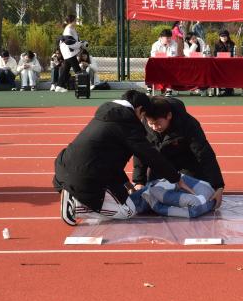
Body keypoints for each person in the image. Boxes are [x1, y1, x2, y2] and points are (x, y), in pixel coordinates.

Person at [52, 90, 191, 225]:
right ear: (139, 109)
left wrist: (128, 185)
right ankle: (77, 206)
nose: (141, 120)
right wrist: (177, 179)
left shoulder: (107, 114)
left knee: (120, 197)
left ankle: (75, 196)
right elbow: (150, 155)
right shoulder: (128, 123)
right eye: (143, 116)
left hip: (64, 170)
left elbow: (110, 161)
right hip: (85, 177)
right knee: (128, 211)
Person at [132, 96, 225, 210]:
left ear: (169, 116)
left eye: (158, 123)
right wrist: (139, 181)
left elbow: (203, 153)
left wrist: (218, 187)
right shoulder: (144, 124)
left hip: (186, 163)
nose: (155, 127)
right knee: (151, 194)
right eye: (151, 123)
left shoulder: (188, 124)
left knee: (194, 195)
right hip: (161, 163)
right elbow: (140, 153)